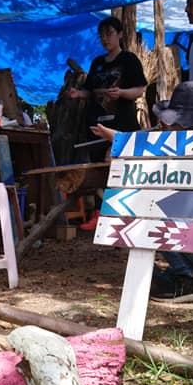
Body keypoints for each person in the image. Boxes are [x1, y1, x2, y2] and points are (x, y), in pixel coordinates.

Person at [91, 81, 193, 303]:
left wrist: (120, 140)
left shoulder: (190, 154)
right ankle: (190, 276)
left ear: (187, 124)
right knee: (163, 205)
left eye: (170, 122)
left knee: (148, 206)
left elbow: (149, 169)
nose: (163, 125)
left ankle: (189, 278)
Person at [65, 16, 148, 230]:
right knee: (100, 170)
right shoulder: (97, 63)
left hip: (121, 125)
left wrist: (121, 92)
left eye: (109, 34)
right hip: (96, 126)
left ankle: (125, 215)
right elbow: (91, 92)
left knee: (121, 168)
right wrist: (78, 94)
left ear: (120, 34)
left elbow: (139, 89)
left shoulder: (129, 60)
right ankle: (100, 214)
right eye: (101, 35)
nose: (105, 39)